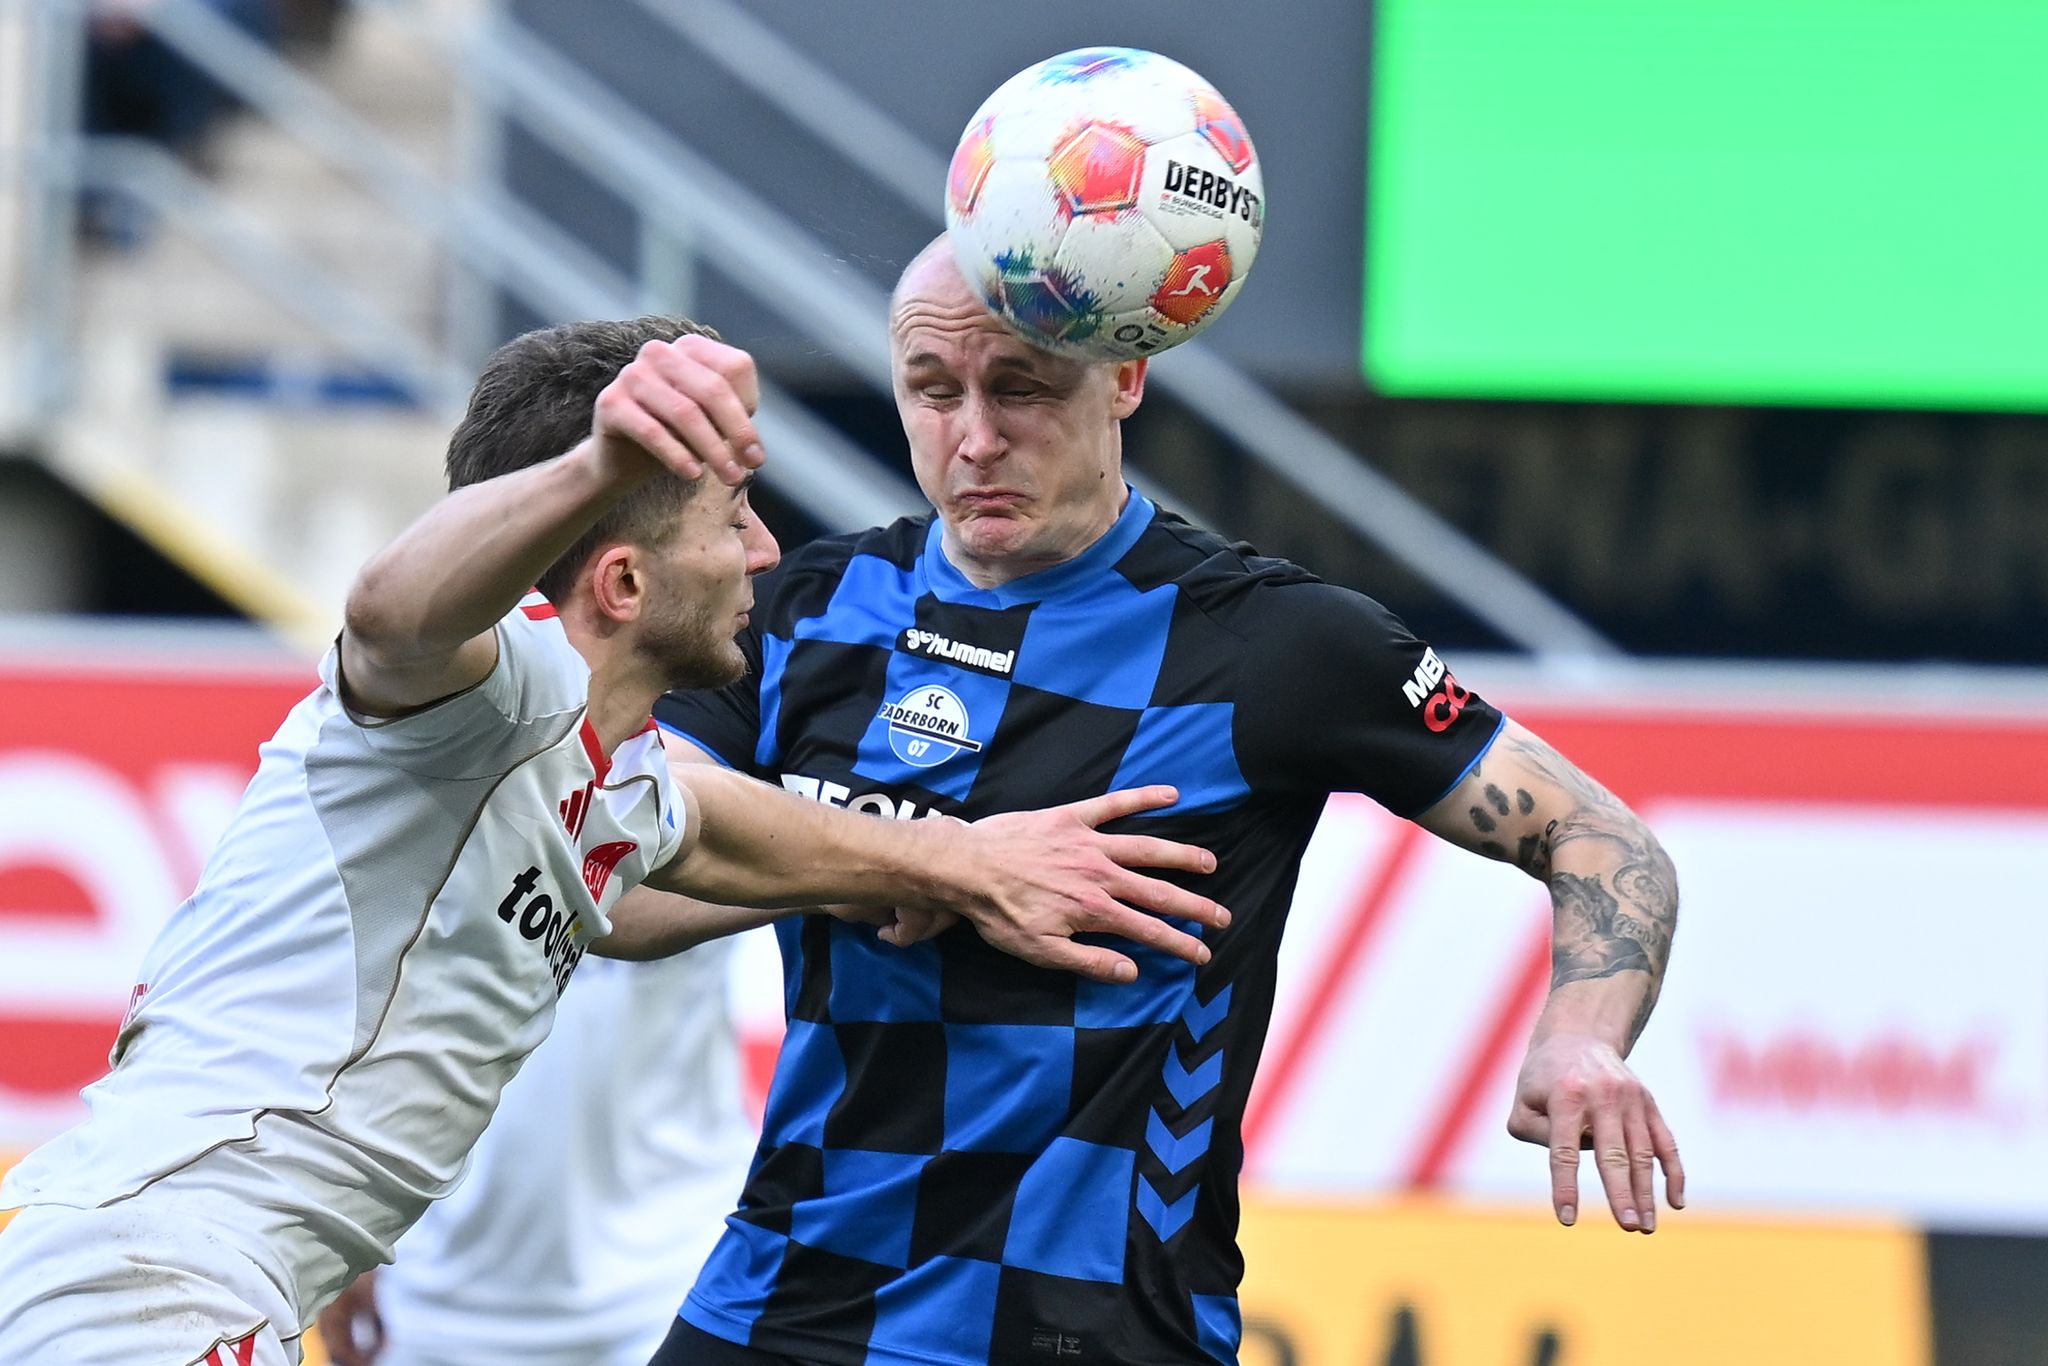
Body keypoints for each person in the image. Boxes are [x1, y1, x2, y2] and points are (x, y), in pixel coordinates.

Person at [0, 315, 1230, 1366]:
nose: (764, 552)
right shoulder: (485, 695)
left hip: (186, 1277)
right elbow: (385, 615)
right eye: (734, 515)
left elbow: (711, 834)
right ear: (625, 585)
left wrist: (954, 862)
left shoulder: (608, 774)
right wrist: (602, 461)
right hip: (148, 1285)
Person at [644, 241, 1685, 1366]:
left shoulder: (1274, 643)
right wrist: (941, 862)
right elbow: (630, 863)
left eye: (1022, 388)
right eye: (933, 391)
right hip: (782, 1299)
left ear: (1125, 376)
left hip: (1090, 1329)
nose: (975, 437)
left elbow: (1595, 834)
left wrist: (1580, 1041)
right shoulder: (809, 608)